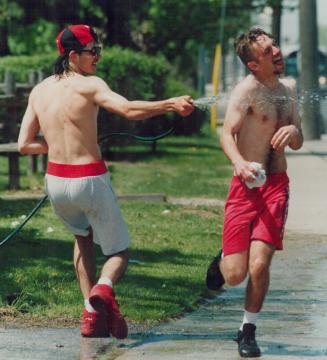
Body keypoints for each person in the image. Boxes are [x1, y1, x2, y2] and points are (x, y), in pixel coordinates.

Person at [17, 24, 194, 339]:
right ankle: (104, 288)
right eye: (92, 51)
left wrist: (55, 146)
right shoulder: (89, 85)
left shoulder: (40, 90)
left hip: (56, 182)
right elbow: (127, 109)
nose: (98, 56)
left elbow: (24, 145)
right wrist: (169, 104)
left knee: (82, 239)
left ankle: (90, 314)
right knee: (119, 253)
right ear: (73, 55)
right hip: (89, 178)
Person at [206, 27, 303, 358]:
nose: (276, 51)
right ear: (253, 64)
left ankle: (247, 331)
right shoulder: (245, 91)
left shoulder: (288, 91)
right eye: (268, 50)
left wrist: (293, 131)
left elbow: (299, 140)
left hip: (276, 188)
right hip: (245, 188)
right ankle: (222, 261)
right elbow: (226, 134)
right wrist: (239, 163)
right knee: (235, 275)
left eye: (275, 44)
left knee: (259, 266)